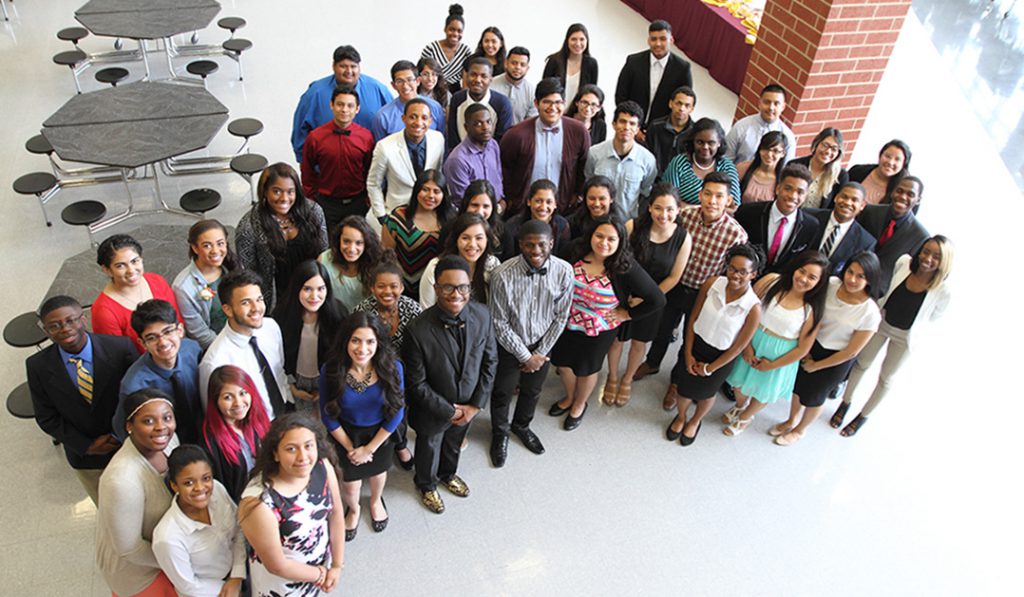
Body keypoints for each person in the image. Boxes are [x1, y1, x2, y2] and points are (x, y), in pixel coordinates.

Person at [634, 173, 749, 390]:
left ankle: (676, 381)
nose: (712, 201)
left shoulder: (736, 235)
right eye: (707, 194)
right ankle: (652, 363)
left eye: (719, 196)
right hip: (675, 284)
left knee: (690, 337)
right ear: (700, 194)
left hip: (704, 295)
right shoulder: (684, 215)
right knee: (663, 328)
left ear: (728, 201)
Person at [548, 219, 665, 430]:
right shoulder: (573, 251)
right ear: (590, 236)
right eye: (599, 236)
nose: (604, 243)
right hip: (565, 323)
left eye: (611, 239)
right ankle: (569, 396)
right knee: (563, 365)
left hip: (598, 329)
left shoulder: (624, 266)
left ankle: (579, 404)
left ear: (620, 242)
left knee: (586, 370)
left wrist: (627, 315)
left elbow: (657, 299)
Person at [831, 236, 953, 437]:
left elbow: (936, 315)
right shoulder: (904, 263)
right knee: (861, 363)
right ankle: (845, 403)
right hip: (882, 323)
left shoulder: (944, 290)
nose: (928, 258)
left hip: (905, 337)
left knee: (886, 378)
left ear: (944, 262)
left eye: (936, 256)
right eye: (926, 251)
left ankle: (863, 416)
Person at [403, 255, 497, 514]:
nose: (456, 294)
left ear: (470, 287)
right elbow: (416, 383)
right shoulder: (417, 329)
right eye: (448, 287)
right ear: (436, 288)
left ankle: (448, 474)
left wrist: (475, 405)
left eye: (463, 287)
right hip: (433, 407)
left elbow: (490, 363)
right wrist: (450, 410)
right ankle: (425, 484)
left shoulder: (483, 315)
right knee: (429, 447)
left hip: (469, 403)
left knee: (454, 443)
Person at [27, 295, 136, 504]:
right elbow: (46, 416)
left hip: (129, 443)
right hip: (86, 456)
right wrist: (85, 445)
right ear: (46, 331)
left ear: (83, 319)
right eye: (54, 326)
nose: (65, 329)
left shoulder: (120, 348)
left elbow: (138, 397)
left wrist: (118, 433)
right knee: (107, 507)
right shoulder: (37, 366)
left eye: (71, 320)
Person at [487, 219, 573, 467]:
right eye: (529, 245)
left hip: (543, 345)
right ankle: (500, 433)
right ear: (520, 244)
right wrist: (525, 356)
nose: (536, 251)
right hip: (510, 345)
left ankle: (522, 425)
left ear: (552, 243)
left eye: (542, 245)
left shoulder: (564, 271)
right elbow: (499, 322)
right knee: (502, 392)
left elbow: (561, 316)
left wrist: (540, 353)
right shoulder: (502, 274)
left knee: (533, 391)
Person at [772, 252, 881, 445]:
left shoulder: (870, 312)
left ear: (870, 279)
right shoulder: (831, 284)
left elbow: (852, 352)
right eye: (850, 272)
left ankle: (800, 429)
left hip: (835, 358)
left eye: (860, 276)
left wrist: (818, 365)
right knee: (798, 387)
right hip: (812, 344)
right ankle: (791, 419)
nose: (852, 279)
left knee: (815, 396)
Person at [722, 251, 830, 436]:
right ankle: (740, 406)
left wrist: (772, 365)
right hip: (752, 339)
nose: (803, 279)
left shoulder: (812, 309)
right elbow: (745, 308)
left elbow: (803, 348)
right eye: (802, 271)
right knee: (738, 383)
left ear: (819, 282)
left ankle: (746, 416)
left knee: (763, 391)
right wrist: (746, 347)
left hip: (779, 356)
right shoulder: (771, 281)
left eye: (811, 277)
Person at [664, 244, 761, 445]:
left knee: (706, 394)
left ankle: (695, 421)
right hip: (696, 345)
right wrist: (688, 353)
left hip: (721, 357)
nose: (736, 275)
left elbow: (739, 347)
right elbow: (692, 319)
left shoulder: (753, 307)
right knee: (684, 388)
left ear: (753, 274)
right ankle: (681, 417)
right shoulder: (712, 284)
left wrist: (710, 369)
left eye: (743, 272)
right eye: (733, 269)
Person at [238, 413, 345, 595]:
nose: (303, 457)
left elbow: (335, 513)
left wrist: (336, 565)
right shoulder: (260, 503)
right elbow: (278, 566)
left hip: (319, 568)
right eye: (291, 449)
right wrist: (320, 575)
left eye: (308, 446)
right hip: (283, 585)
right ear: (276, 454)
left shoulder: (321, 465)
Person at [320, 313, 405, 539]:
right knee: (350, 485)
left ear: (379, 343)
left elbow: (397, 411)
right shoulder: (330, 370)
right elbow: (327, 416)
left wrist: (370, 449)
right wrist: (351, 448)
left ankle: (376, 501)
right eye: (355, 340)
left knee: (378, 474)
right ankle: (355, 509)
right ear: (345, 340)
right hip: (345, 435)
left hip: (381, 434)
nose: (362, 348)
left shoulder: (393, 367)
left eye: (370, 342)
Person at [605, 184, 692, 406]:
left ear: (678, 209)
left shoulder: (683, 238)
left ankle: (627, 380)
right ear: (650, 208)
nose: (664, 215)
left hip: (653, 300)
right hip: (624, 293)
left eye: (670, 209)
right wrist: (628, 298)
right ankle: (612, 377)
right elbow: (617, 260)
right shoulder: (633, 226)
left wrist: (645, 298)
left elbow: (674, 277)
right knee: (616, 339)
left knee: (639, 342)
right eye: (659, 208)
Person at [96, 389, 180, 597]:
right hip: (142, 573)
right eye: (149, 421)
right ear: (129, 427)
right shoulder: (122, 480)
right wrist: (180, 560)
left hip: (166, 553)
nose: (161, 427)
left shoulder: (170, 441)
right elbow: (130, 549)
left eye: (167, 418)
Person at [354, 262, 422, 471]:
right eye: (381, 286)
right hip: (372, 368)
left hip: (408, 367)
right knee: (390, 402)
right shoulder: (363, 311)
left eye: (393, 286)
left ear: (402, 287)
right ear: (373, 288)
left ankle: (397, 439)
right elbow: (356, 346)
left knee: (404, 404)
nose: (387, 291)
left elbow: (423, 344)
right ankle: (400, 445)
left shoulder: (412, 309)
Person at [152, 445, 245, 597]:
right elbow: (188, 585)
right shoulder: (167, 537)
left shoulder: (218, 491)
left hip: (238, 575)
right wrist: (229, 589)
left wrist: (237, 576)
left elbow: (238, 530)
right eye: (188, 483)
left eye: (206, 478)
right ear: (174, 485)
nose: (200, 488)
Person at [236, 163, 329, 314]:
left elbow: (324, 254)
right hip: (276, 298)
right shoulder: (249, 227)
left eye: (290, 192)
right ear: (265, 191)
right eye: (277, 191)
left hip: (313, 293)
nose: (284, 198)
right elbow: (248, 273)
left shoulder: (314, 212)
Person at [199, 270, 291, 418]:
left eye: (259, 299)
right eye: (246, 302)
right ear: (227, 309)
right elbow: (215, 414)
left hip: (284, 407)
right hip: (253, 427)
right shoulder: (215, 362)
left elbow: (279, 370)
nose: (256, 308)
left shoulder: (270, 327)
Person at [500, 77, 591, 215]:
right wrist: (512, 200)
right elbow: (504, 170)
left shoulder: (578, 132)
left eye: (558, 102)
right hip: (523, 210)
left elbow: (584, 167)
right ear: (536, 103)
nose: (552, 108)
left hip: (563, 210)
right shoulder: (516, 134)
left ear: (564, 103)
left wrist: (577, 194)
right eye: (547, 102)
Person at [118, 299, 203, 444]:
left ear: (180, 330)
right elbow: (125, 431)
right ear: (142, 344)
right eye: (152, 338)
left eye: (168, 331)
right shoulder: (134, 385)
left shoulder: (193, 350)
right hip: (164, 445)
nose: (163, 342)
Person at [290, 44, 392, 161]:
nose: (348, 71)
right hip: (326, 168)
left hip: (370, 167)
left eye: (353, 66)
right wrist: (309, 165)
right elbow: (300, 131)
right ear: (333, 66)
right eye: (343, 66)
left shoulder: (377, 89)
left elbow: (394, 122)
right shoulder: (315, 93)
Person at [275, 260, 348, 415]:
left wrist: (328, 387)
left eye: (321, 289)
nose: (314, 296)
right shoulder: (282, 314)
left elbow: (342, 357)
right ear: (297, 288)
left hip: (327, 379)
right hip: (295, 380)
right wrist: (290, 387)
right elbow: (277, 356)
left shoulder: (338, 314)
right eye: (307, 289)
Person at [300, 86, 376, 228]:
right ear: (332, 105)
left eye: (350, 105)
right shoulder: (315, 137)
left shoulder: (366, 137)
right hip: (326, 203)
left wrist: (368, 197)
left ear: (357, 109)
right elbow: (307, 170)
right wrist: (311, 200)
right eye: (340, 104)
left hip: (358, 203)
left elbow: (370, 170)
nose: (344, 109)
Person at [92, 234, 182, 354]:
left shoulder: (157, 281)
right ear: (107, 270)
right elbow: (118, 355)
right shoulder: (104, 311)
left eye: (135, 261)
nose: (131, 270)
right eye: (120, 265)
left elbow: (177, 321)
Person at [367, 99, 446, 229]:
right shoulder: (385, 146)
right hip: (397, 214)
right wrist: (382, 217)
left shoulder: (438, 139)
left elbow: (438, 175)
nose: (418, 122)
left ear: (430, 121)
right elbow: (373, 183)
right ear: (403, 118)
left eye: (424, 118)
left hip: (429, 213)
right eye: (413, 117)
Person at [202, 364, 271, 502]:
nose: (238, 403)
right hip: (242, 507)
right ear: (216, 401)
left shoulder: (258, 421)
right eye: (228, 397)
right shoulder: (210, 442)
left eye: (243, 393)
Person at [734, 163, 820, 274]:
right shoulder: (747, 212)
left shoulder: (811, 226)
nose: (793, 196)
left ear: (805, 195)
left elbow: (804, 261)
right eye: (788, 189)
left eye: (800, 192)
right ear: (778, 188)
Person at [382, 169, 454, 300]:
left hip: (437, 290)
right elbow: (387, 256)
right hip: (402, 289)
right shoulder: (398, 218)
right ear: (416, 191)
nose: (430, 196)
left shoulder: (451, 220)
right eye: (425, 189)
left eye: (437, 191)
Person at [614, 20, 693, 133]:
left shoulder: (683, 69)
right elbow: (621, 95)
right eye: (653, 39)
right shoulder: (633, 61)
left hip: (663, 132)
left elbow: (684, 103)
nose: (658, 44)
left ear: (671, 40)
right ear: (648, 40)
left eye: (663, 39)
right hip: (631, 128)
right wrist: (634, 127)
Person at [584, 100, 658, 221]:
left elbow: (645, 194)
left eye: (632, 123)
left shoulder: (648, 160)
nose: (626, 127)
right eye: (622, 121)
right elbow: (588, 185)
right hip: (596, 222)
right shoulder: (594, 153)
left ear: (638, 128)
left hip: (627, 225)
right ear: (614, 124)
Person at [857, 175, 929, 294]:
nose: (902, 197)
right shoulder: (869, 212)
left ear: (918, 200)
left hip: (880, 293)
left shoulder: (921, 236)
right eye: (899, 191)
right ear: (892, 192)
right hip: (851, 278)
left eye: (910, 194)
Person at [173, 219, 238, 351]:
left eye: (220, 244)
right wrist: (230, 349)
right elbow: (200, 334)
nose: (215, 251)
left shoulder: (233, 266)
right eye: (207, 245)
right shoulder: (182, 287)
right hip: (217, 346)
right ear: (195, 248)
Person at [420, 212, 500, 308]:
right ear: (456, 239)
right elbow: (426, 309)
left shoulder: (493, 265)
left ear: (487, 240)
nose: (472, 244)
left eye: (479, 238)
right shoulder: (435, 266)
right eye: (465, 238)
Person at [662, 117, 741, 206]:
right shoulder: (679, 163)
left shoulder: (727, 167)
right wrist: (698, 211)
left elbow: (735, 207)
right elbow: (667, 199)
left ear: (719, 143)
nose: (705, 147)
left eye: (711, 143)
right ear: (693, 141)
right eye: (700, 142)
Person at [318, 215, 389, 311]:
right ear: (339, 240)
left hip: (367, 321)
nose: (351, 249)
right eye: (346, 241)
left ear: (367, 243)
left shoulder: (377, 264)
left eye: (359, 243)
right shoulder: (324, 260)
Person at [806, 182, 876, 276]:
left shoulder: (865, 242)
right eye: (844, 197)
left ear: (862, 205)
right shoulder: (809, 216)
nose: (847, 202)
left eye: (854, 200)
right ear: (836, 197)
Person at [446, 57, 513, 150]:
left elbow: (502, 140)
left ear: (490, 79)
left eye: (484, 76)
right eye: (473, 74)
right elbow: (452, 136)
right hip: (460, 157)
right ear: (466, 76)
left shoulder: (502, 103)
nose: (477, 80)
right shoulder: (457, 99)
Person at [370, 60, 446, 142]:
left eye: (409, 80)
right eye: (399, 81)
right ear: (393, 85)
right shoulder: (383, 117)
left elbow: (442, 141)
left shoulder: (434, 107)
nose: (405, 86)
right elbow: (380, 150)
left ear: (418, 81)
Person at [443, 103, 504, 202]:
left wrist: (501, 203)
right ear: (466, 127)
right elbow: (463, 200)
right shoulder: (457, 159)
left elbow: (498, 178)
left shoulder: (493, 145)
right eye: (478, 124)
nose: (486, 127)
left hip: (497, 209)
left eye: (488, 122)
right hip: (473, 214)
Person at [723, 83, 797, 164]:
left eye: (776, 104)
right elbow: (726, 160)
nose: (771, 108)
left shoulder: (788, 137)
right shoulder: (741, 127)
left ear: (783, 107)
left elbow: (786, 169)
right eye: (767, 102)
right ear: (759, 103)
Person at [502, 179, 572, 260]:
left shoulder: (562, 226)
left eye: (549, 202)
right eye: (538, 201)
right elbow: (508, 258)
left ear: (555, 204)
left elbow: (564, 258)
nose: (543, 207)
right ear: (529, 201)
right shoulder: (512, 226)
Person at [789, 127, 848, 209]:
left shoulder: (840, 176)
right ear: (817, 143)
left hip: (818, 220)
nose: (828, 151)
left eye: (834, 149)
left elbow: (835, 207)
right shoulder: (795, 164)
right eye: (825, 145)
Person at [644, 85, 697, 175]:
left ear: (692, 109)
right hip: (653, 178)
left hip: (680, 182)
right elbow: (646, 154)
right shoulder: (655, 126)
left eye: (687, 105)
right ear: (670, 103)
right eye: (678, 103)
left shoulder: (695, 132)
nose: (681, 108)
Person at [542, 23, 599, 105]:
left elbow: (592, 94)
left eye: (582, 39)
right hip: (555, 111)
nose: (578, 43)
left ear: (587, 41)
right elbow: (544, 90)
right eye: (573, 39)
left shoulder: (592, 64)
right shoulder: (554, 61)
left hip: (578, 114)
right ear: (567, 40)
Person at [420, 4, 472, 91]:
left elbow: (466, 79)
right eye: (452, 29)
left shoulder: (466, 51)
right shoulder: (431, 49)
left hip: (455, 92)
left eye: (459, 31)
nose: (455, 34)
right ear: (445, 29)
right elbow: (422, 74)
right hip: (432, 90)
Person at [847, 139, 912, 205]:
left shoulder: (904, 190)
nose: (890, 162)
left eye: (897, 159)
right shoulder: (857, 171)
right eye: (887, 156)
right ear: (880, 155)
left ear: (904, 164)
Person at [736, 131, 788, 204]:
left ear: (783, 154)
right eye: (766, 149)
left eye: (775, 151)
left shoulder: (785, 179)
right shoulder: (742, 168)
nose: (769, 154)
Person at [490, 46, 538, 124]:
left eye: (522, 65)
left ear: (527, 68)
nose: (518, 67)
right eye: (514, 63)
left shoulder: (532, 91)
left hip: (519, 134)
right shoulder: (491, 85)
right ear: (506, 63)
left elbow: (530, 123)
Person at [458, 179, 506, 255]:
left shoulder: (503, 232)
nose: (480, 211)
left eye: (486, 206)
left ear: (493, 208)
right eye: (474, 205)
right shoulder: (450, 229)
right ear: (466, 205)